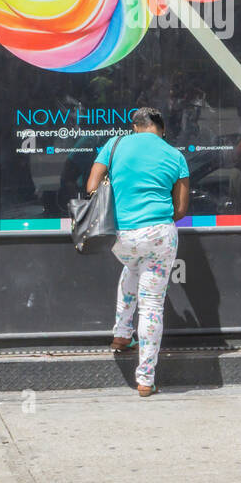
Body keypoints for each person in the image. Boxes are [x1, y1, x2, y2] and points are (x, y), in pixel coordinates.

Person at [86, 107, 190, 397]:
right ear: (162, 129)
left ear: (135, 127)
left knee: (131, 268)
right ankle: (145, 378)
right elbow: (181, 209)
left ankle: (121, 334)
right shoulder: (175, 156)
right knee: (153, 305)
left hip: (123, 236)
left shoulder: (116, 144)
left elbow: (91, 186)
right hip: (158, 235)